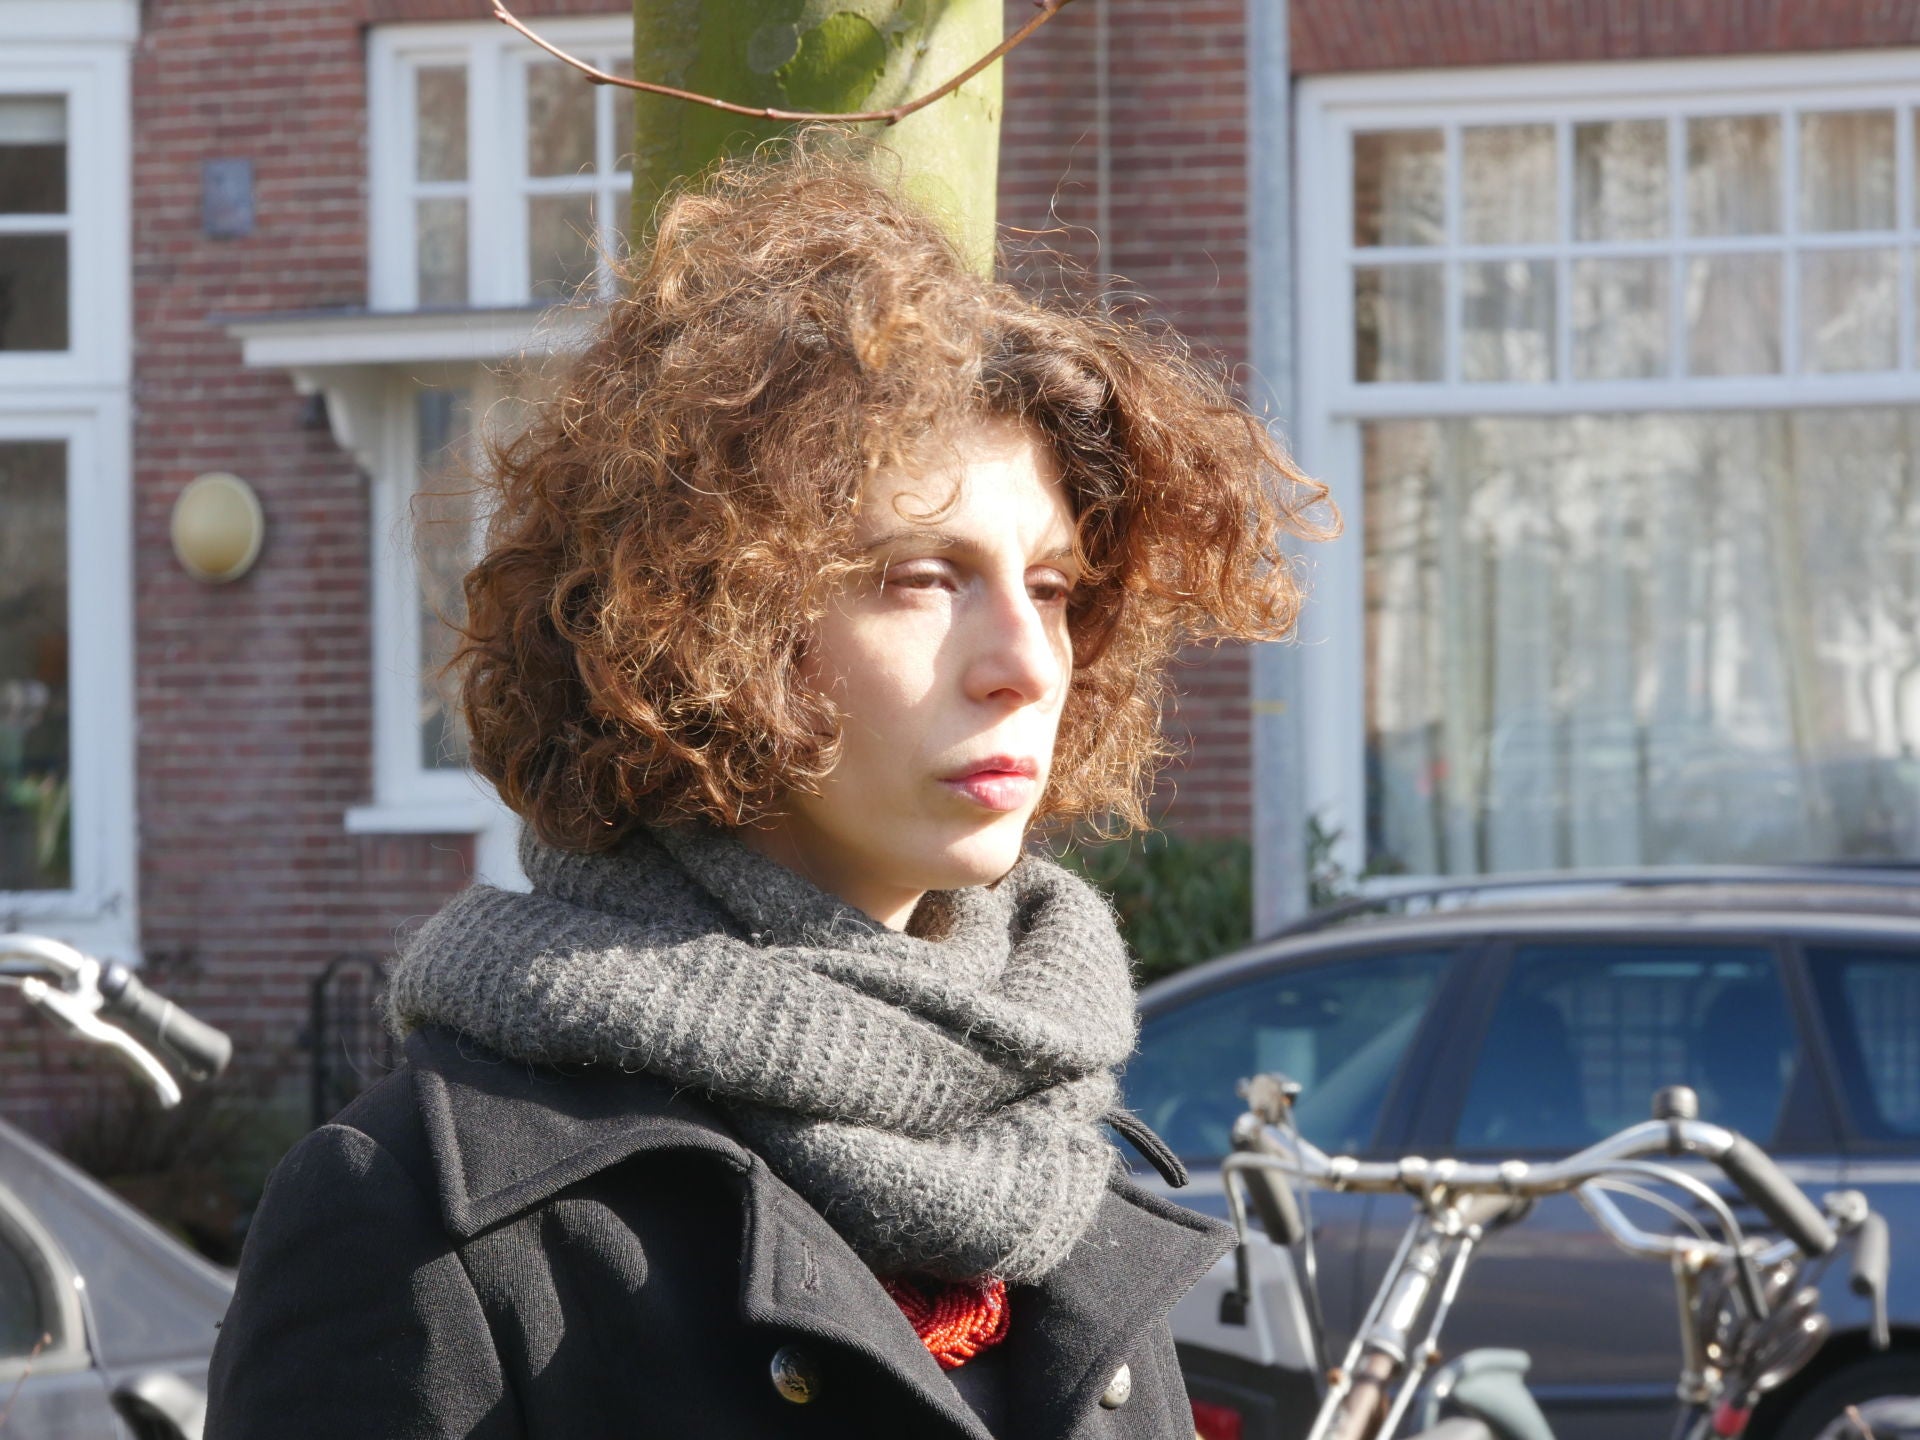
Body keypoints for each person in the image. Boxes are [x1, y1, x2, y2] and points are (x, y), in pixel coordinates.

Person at [206, 140, 1330, 1439]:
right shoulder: (417, 1223)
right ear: (702, 620)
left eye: (1054, 588)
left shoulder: (1064, 1166)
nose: (1027, 662)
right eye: (922, 577)